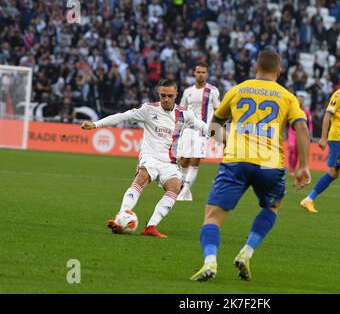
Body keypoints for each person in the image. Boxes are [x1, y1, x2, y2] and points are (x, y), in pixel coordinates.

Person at [190, 50, 311, 281]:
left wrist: (230, 140)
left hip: (236, 160)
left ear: (256, 68)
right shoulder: (287, 96)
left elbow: (213, 126)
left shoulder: (238, 90)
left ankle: (210, 262)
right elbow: (303, 129)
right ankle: (246, 253)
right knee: (271, 207)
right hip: (269, 164)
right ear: (279, 70)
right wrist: (304, 166)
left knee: (212, 218)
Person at [81, 79, 208, 238]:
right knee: (142, 177)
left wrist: (226, 137)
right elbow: (123, 116)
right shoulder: (149, 109)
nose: (166, 99)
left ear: (176, 94)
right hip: (150, 156)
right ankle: (121, 217)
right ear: (159, 94)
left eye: (169, 96)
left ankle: (151, 227)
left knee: (176, 186)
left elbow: (205, 127)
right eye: (163, 95)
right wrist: (96, 124)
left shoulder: (184, 114)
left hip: (168, 161)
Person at [300, 69, 340, 217]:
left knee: (333, 173)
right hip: (338, 138)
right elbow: (327, 116)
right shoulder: (338, 95)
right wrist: (323, 138)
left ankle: (308, 199)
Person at [177, 62, 221, 201]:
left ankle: (183, 191)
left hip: (202, 130)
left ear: (206, 74)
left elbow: (218, 111)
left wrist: (214, 130)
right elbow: (181, 110)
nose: (200, 74)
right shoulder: (187, 91)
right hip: (188, 129)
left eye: (203, 72)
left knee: (195, 160)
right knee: (184, 161)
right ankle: (186, 192)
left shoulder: (212, 91)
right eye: (198, 72)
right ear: (194, 73)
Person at [288, 93, 312, 175]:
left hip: (300, 132)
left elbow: (310, 123)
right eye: (299, 99)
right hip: (292, 131)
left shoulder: (306, 111)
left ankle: (293, 169)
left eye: (302, 100)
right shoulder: (292, 109)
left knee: (297, 152)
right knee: (291, 148)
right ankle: (291, 168)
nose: (300, 101)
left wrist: (310, 133)